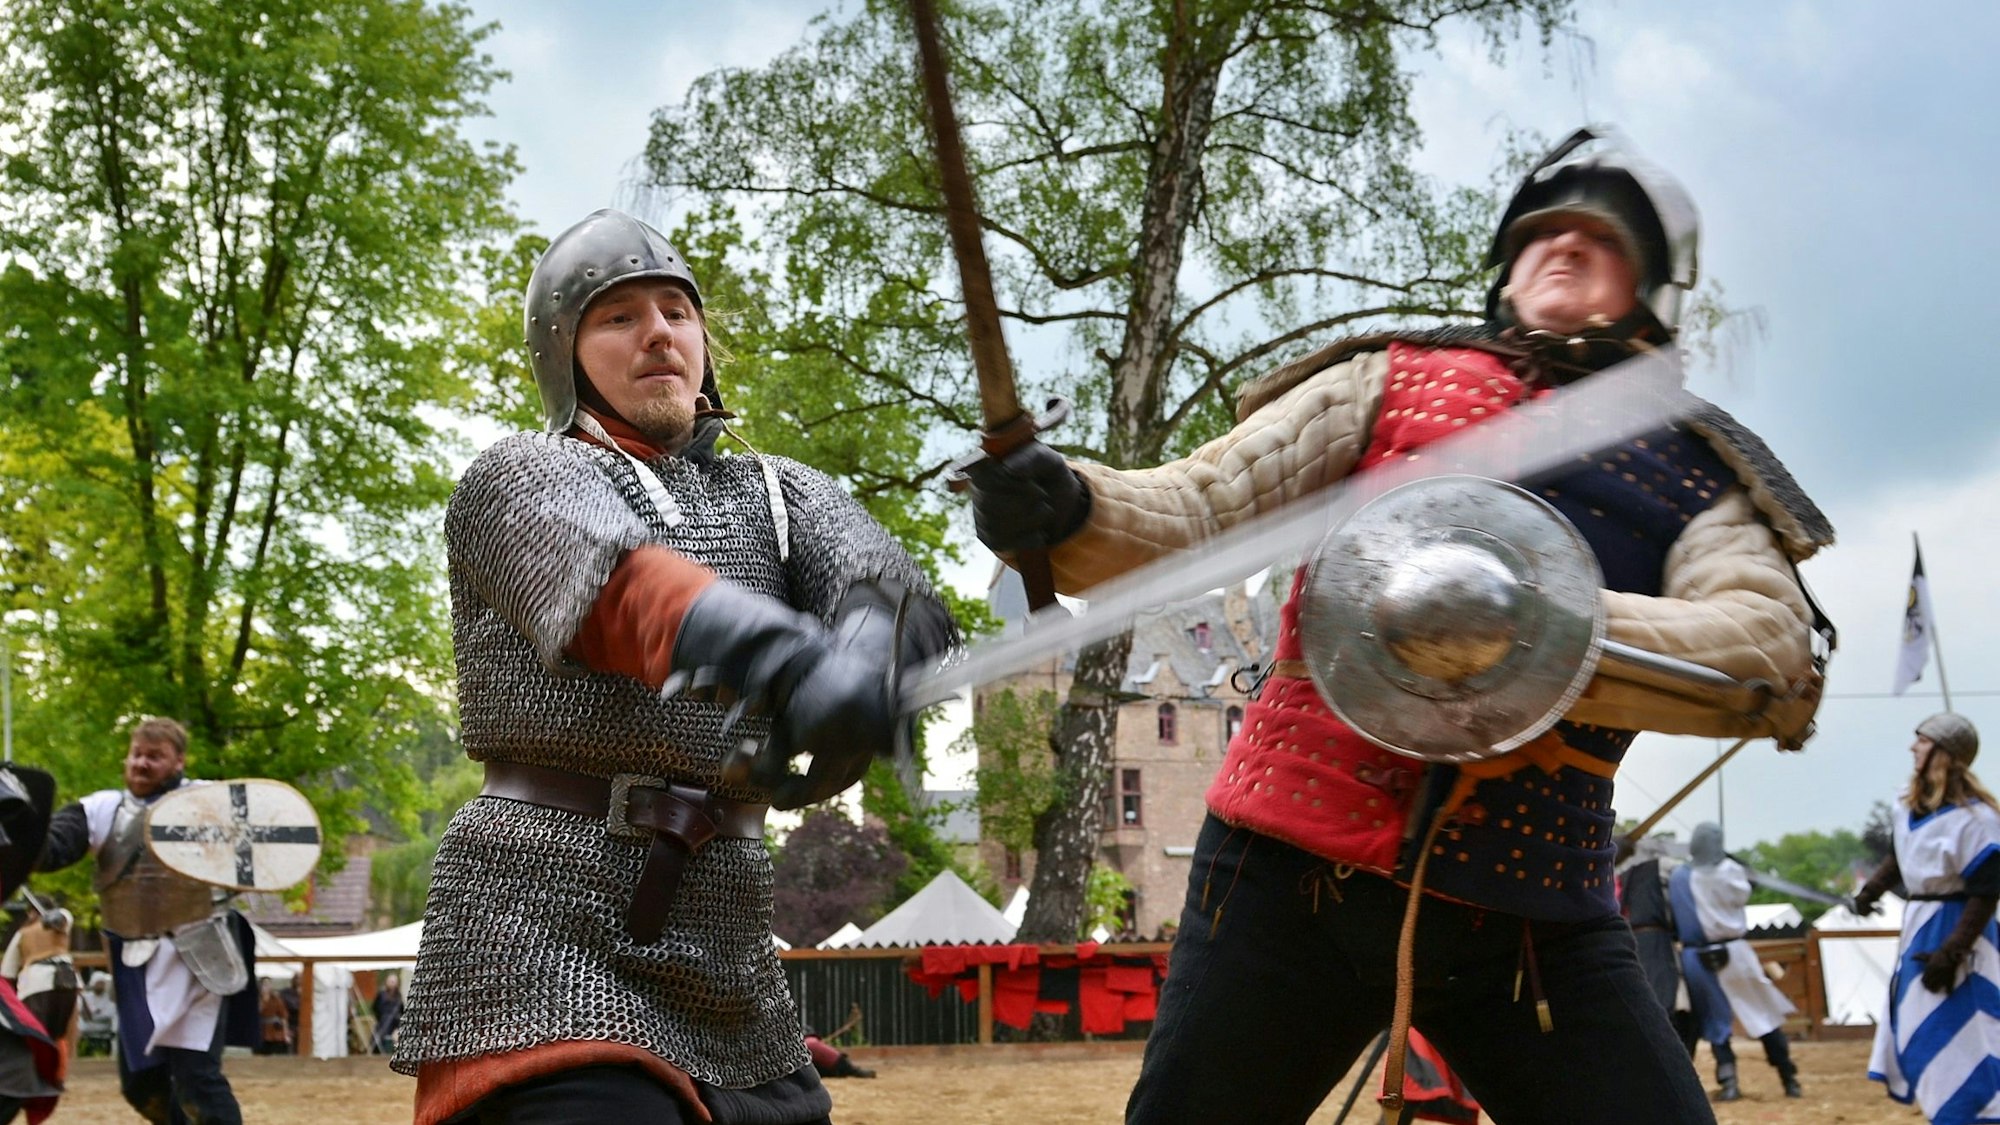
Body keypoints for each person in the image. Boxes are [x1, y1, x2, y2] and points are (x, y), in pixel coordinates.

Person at [966, 126, 1834, 1125]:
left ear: (1652, 289)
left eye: (1601, 240)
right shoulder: (1388, 379)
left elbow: (1767, 654)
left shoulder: (1697, 472)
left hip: (1532, 913)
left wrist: (1526, 626)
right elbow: (1199, 505)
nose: (1563, 246)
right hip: (1284, 878)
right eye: (1541, 233)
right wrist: (1072, 507)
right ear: (1505, 270)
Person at [392, 209, 952, 1125]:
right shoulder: (521, 475)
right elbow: (623, 593)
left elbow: (893, 595)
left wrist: (862, 662)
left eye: (677, 312)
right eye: (619, 316)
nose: (658, 332)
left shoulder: (780, 493)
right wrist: (785, 658)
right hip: (542, 936)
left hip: (731, 953)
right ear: (565, 354)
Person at [38, 717, 259, 1124]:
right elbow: (53, 847)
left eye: (155, 756)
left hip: (199, 958)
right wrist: (20, 829)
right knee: (141, 1086)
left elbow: (257, 855)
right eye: (137, 754)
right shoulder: (102, 809)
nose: (141, 763)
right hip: (135, 963)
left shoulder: (209, 803)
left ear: (179, 761)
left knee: (198, 1080)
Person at [1855, 712, 2000, 1122]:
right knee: (1922, 1024)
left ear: (1944, 752)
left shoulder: (1977, 820)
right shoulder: (1908, 806)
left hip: (1961, 934)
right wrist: (1869, 892)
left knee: (1971, 1031)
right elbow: (1899, 857)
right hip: (1920, 929)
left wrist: (1952, 952)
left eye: (1922, 741)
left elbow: (1986, 893)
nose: (1913, 747)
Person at [1669, 821, 1801, 1100]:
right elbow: (1747, 888)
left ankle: (1734, 1082)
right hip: (1730, 952)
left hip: (1701, 954)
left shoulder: (1680, 876)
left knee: (1720, 1019)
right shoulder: (1731, 871)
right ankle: (1786, 1077)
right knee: (1758, 1015)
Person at [256, 980, 292, 1056]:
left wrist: (286, 1033)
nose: (265, 987)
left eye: (267, 984)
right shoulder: (256, 999)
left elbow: (283, 1017)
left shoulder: (276, 999)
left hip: (274, 1031)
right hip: (260, 1031)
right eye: (263, 985)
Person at [371, 973, 402, 1056]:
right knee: (378, 1042)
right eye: (391, 981)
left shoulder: (398, 996)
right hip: (382, 1023)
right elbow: (375, 1008)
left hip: (394, 1024)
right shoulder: (381, 995)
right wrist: (380, 1018)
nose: (392, 984)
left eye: (394, 982)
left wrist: (398, 1027)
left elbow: (401, 1011)